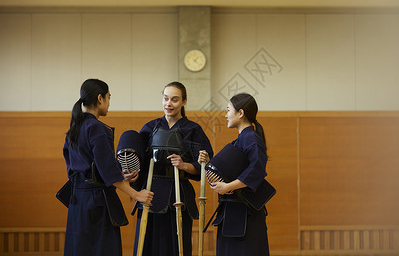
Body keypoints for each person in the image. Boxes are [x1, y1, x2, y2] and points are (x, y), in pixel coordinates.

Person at [63, 78, 153, 256]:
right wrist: (137, 194)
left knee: (79, 250)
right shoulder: (95, 127)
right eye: (108, 97)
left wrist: (117, 176)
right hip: (96, 202)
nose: (109, 103)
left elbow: (76, 165)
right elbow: (107, 171)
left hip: (77, 201)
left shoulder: (75, 126)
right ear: (99, 98)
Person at [132, 81, 213, 256]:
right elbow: (138, 161)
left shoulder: (193, 129)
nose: (169, 103)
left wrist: (184, 165)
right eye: (166, 98)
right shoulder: (150, 128)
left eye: (175, 100)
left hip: (179, 193)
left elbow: (203, 165)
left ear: (184, 101)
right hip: (151, 192)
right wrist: (132, 175)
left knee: (177, 246)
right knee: (147, 244)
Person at [198, 93, 270, 256]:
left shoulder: (252, 139)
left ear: (241, 113)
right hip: (231, 211)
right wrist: (209, 163)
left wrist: (228, 186)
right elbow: (231, 170)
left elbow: (256, 171)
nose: (226, 114)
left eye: (228, 110)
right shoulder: (241, 140)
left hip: (246, 214)